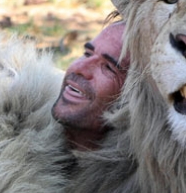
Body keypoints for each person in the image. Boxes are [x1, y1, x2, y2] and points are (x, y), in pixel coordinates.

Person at [51, 20, 128, 150]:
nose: (78, 68)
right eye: (87, 54)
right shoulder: (19, 132)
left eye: (108, 67)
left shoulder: (142, 169)